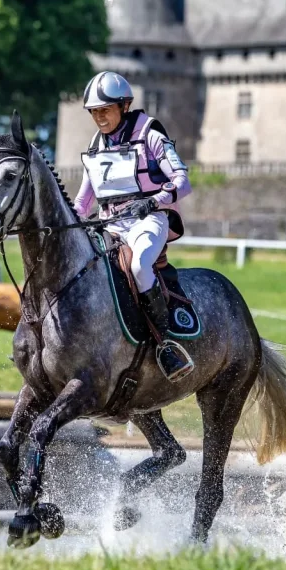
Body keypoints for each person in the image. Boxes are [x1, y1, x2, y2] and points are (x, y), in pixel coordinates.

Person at [73, 71, 194, 381]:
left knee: (140, 266)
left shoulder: (150, 133)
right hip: (110, 224)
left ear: (124, 106)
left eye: (106, 110)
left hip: (148, 221)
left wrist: (154, 201)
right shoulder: (96, 143)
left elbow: (183, 180)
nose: (99, 117)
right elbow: (84, 199)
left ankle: (165, 344)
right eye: (94, 112)